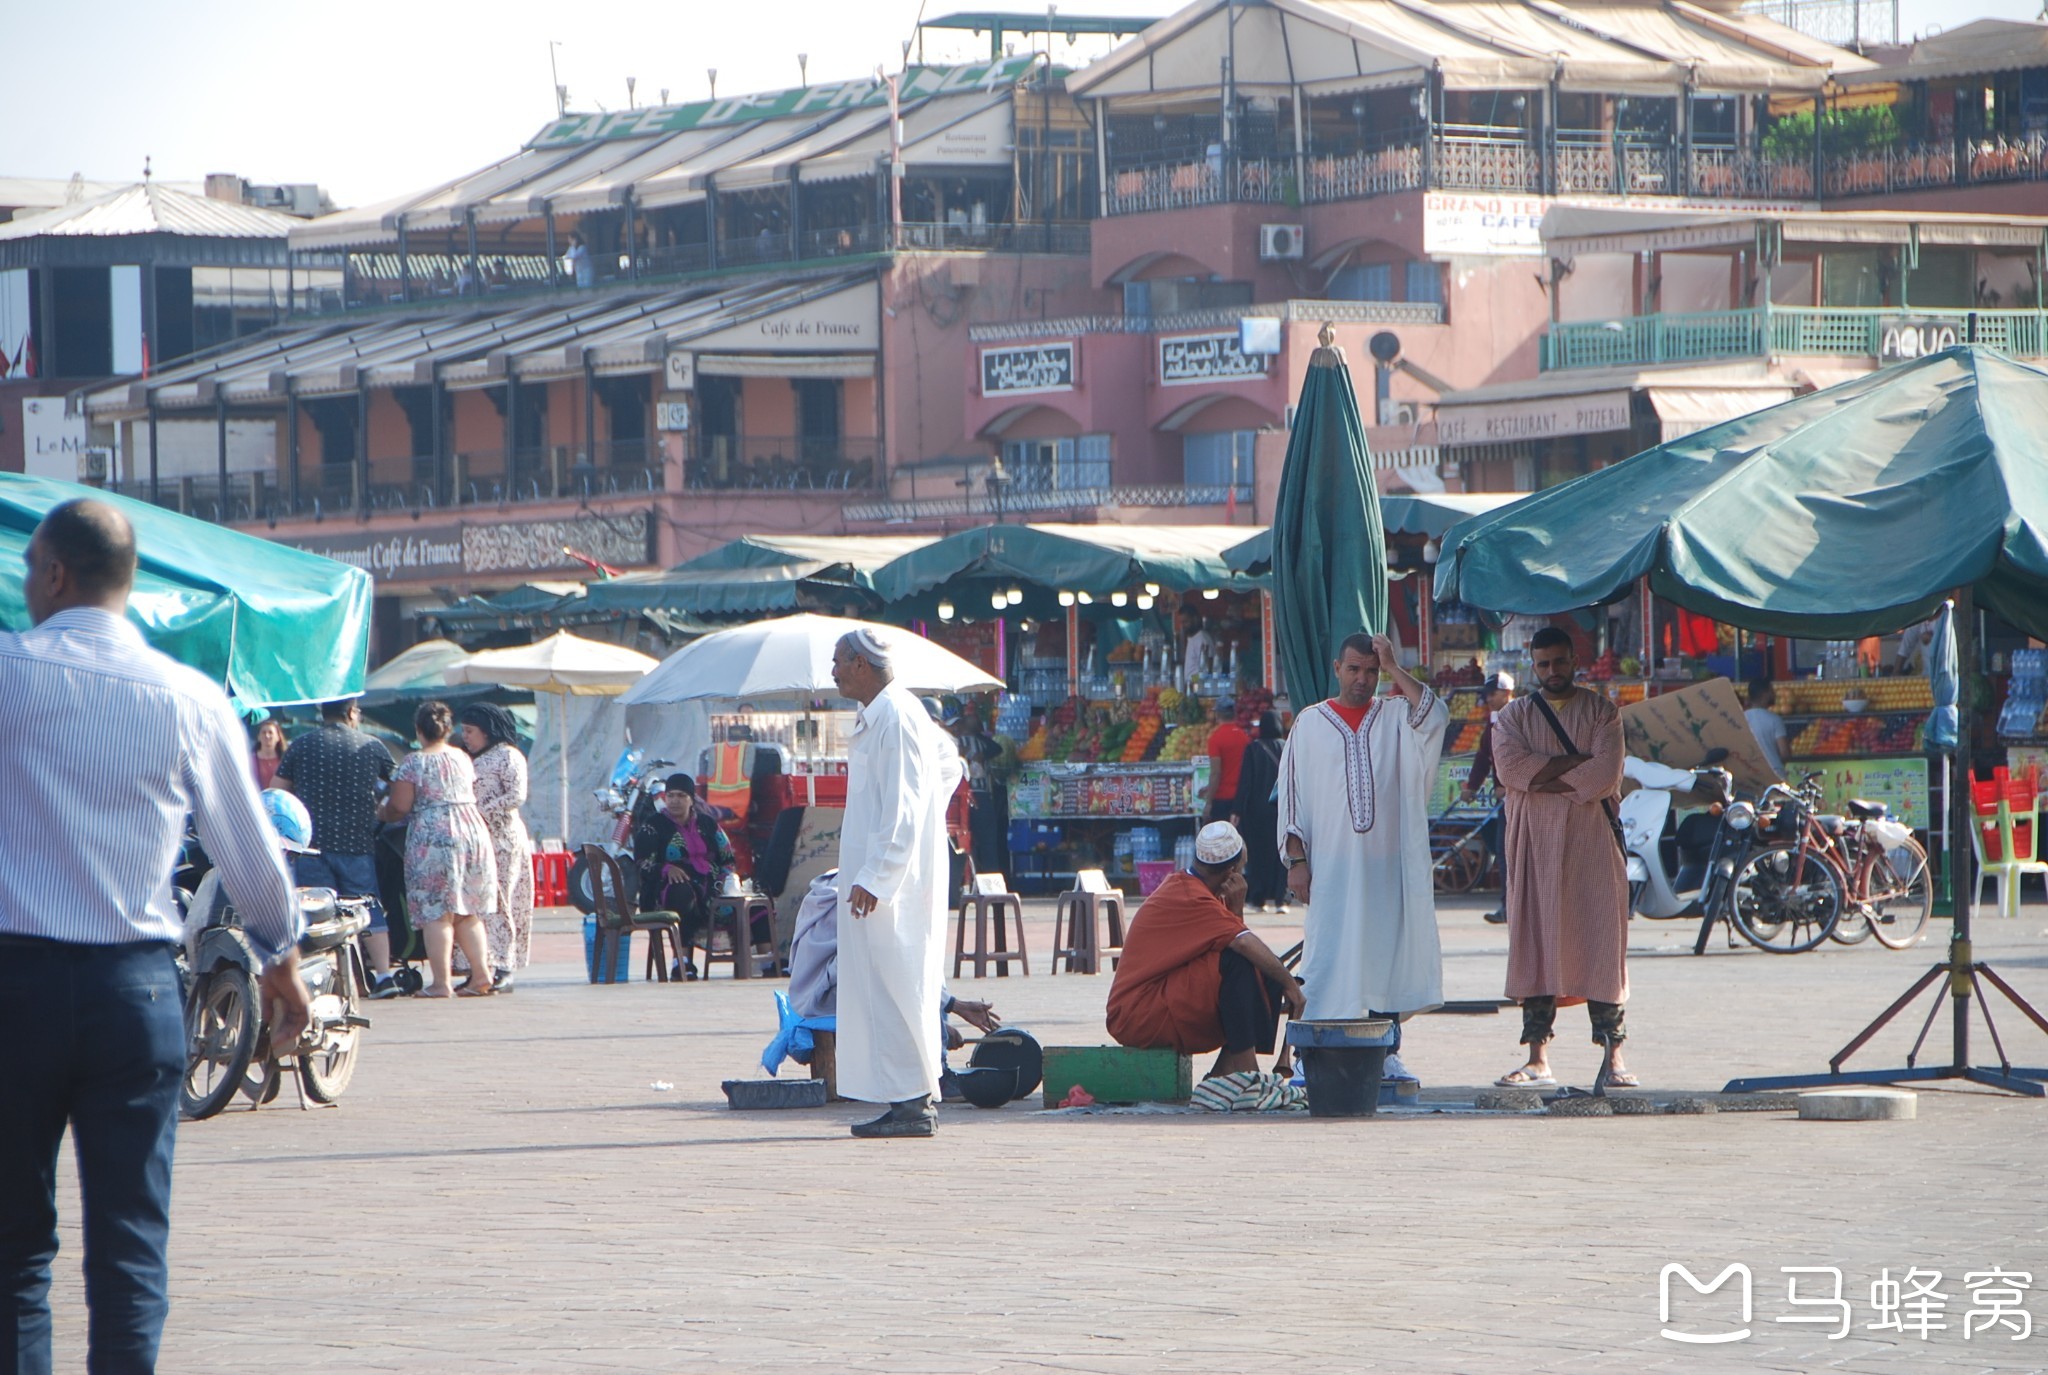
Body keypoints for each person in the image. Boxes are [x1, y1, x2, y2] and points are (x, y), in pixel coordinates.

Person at [1, 498, 309, 1374]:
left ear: (56, 573)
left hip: (14, 990)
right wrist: (281, 966)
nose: (25, 588)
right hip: (134, 997)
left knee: (14, 1250)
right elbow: (249, 857)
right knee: (130, 1246)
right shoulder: (191, 699)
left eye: (28, 572)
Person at [1277, 631, 1448, 1085]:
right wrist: (1297, 862)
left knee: (1384, 955)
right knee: (1324, 955)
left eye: (1371, 671)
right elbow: (1291, 801)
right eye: (1354, 669)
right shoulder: (1310, 724)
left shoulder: (1394, 716)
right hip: (1330, 870)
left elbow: (1436, 714)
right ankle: (1308, 1053)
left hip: (1385, 869)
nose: (1362, 679)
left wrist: (1394, 666)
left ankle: (1387, 1052)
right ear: (1337, 669)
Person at [830, 627, 963, 1139]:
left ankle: (913, 1105)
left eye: (839, 661)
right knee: (884, 986)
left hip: (893, 886)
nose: (834, 670)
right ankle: (905, 1098)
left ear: (863, 664)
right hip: (885, 880)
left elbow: (904, 807)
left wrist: (878, 875)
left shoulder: (899, 716)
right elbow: (944, 770)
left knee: (899, 984)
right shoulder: (882, 715)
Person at [1489, 626, 1634, 1089]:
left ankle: (1614, 1058)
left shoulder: (1602, 712)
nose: (1552, 671)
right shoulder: (1513, 717)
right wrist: (1573, 766)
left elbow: (1605, 774)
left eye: (1560, 662)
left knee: (1601, 943)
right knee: (1537, 942)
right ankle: (1537, 1058)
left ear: (1575, 661)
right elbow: (1511, 769)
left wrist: (1540, 777)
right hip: (1534, 843)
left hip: (1592, 844)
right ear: (1533, 666)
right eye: (1543, 664)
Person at [1106, 822, 1305, 1079]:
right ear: (1232, 871)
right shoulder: (1191, 895)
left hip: (1158, 999)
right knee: (1244, 962)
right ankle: (1248, 1074)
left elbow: (1238, 938)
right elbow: (1242, 943)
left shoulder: (1205, 890)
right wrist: (1291, 986)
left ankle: (1225, 1071)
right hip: (1137, 1013)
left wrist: (1236, 908)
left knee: (1261, 966)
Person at [274, 696, 401, 997]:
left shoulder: (301, 745)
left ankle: (324, 980)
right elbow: (399, 786)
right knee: (367, 906)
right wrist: (380, 808)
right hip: (357, 842)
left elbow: (277, 793)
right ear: (351, 712)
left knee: (317, 914)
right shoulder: (372, 746)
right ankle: (383, 976)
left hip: (312, 846)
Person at [377, 700, 499, 999]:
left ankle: (441, 983)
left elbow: (400, 806)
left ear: (419, 730)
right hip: (472, 831)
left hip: (434, 835)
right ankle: (480, 975)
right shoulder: (462, 757)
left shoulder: (413, 762)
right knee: (468, 910)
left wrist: (382, 812)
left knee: (437, 912)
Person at [632, 773, 752, 976]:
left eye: (681, 796)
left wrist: (725, 879)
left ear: (691, 799)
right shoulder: (653, 826)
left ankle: (767, 963)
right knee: (682, 894)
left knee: (750, 904)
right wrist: (666, 869)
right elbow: (642, 862)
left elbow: (727, 857)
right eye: (670, 796)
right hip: (664, 890)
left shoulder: (708, 824)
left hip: (710, 887)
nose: (674, 801)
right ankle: (682, 962)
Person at [459, 703, 533, 993]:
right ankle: (479, 966)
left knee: (502, 901)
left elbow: (516, 795)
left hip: (503, 840)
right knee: (478, 905)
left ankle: (504, 965)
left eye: (470, 731)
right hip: (477, 841)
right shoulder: (471, 758)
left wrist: (482, 812)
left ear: (487, 731)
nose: (465, 736)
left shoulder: (508, 756)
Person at [1460, 672, 1516, 925]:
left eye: (1493, 694)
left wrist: (1510, 786)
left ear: (1506, 694)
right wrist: (1472, 786)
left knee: (1518, 855)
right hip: (1506, 803)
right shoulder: (1493, 724)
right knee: (1504, 855)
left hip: (1523, 801)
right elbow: (1484, 757)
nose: (1489, 699)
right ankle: (1508, 907)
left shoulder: (1521, 720)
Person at [1234, 710, 1287, 912]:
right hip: (1282, 810)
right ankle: (1281, 899)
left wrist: (1237, 810)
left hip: (1255, 813)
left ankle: (1258, 898)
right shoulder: (1286, 747)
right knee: (1281, 854)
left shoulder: (1253, 749)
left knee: (1257, 856)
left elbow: (1245, 782)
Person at [1201, 699, 1250, 824]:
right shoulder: (1244, 737)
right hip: (1241, 799)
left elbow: (1216, 773)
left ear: (1217, 715)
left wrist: (1209, 803)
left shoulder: (1215, 739)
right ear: (1234, 714)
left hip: (1222, 799)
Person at [1744, 677, 1788, 780]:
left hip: (1750, 774)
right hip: (1775, 774)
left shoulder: (1741, 718)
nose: (1774, 695)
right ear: (1765, 694)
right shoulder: (1775, 720)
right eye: (1771, 691)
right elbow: (1784, 753)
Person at [251, 715, 288, 790]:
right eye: (264, 733)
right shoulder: (250, 760)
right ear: (259, 737)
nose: (267, 736)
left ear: (278, 737)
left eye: (270, 733)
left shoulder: (285, 760)